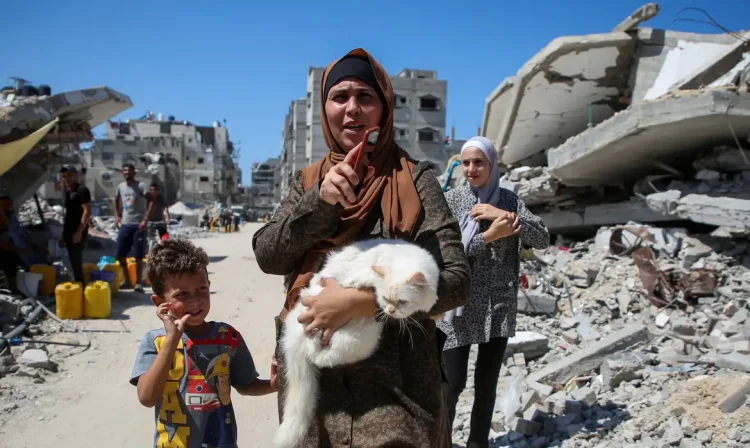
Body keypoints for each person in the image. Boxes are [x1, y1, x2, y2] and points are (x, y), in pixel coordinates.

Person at [252, 48, 471, 447]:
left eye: (365, 97)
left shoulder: (415, 181)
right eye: (340, 97)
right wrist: (320, 202)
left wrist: (360, 302)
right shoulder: (308, 181)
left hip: (397, 393)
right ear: (325, 108)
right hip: (316, 390)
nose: (352, 109)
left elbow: (456, 282)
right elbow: (269, 254)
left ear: (384, 109)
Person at [436, 137, 550, 448]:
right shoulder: (451, 200)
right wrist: (489, 235)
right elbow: (447, 255)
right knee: (452, 383)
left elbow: (542, 239)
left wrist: (507, 218)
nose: (472, 169)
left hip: (497, 306)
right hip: (458, 305)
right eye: (466, 162)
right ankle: (441, 442)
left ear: (492, 164)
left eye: (479, 162)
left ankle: (478, 444)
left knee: (486, 384)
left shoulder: (510, 201)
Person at [130, 238, 277, 448]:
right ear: (159, 302)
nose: (196, 301)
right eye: (182, 294)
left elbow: (246, 385)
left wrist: (275, 385)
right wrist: (173, 339)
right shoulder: (156, 342)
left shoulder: (228, 337)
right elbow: (146, 397)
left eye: (202, 289)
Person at [114, 163, 148, 292]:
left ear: (134, 173)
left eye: (130, 170)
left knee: (138, 255)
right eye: (125, 170)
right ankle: (128, 281)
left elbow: (151, 200)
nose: (127, 172)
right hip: (125, 224)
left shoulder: (140, 186)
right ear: (122, 173)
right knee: (120, 254)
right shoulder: (120, 187)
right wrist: (117, 216)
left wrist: (146, 219)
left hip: (138, 224)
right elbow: (116, 200)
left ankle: (138, 283)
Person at [60, 165, 92, 284]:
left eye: (69, 175)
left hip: (77, 231)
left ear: (75, 176)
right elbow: (68, 214)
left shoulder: (82, 190)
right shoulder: (67, 192)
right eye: (64, 176)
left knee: (76, 261)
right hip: (68, 231)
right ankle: (76, 286)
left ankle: (81, 287)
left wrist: (79, 231)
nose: (66, 179)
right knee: (71, 261)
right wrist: (64, 234)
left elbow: (87, 211)